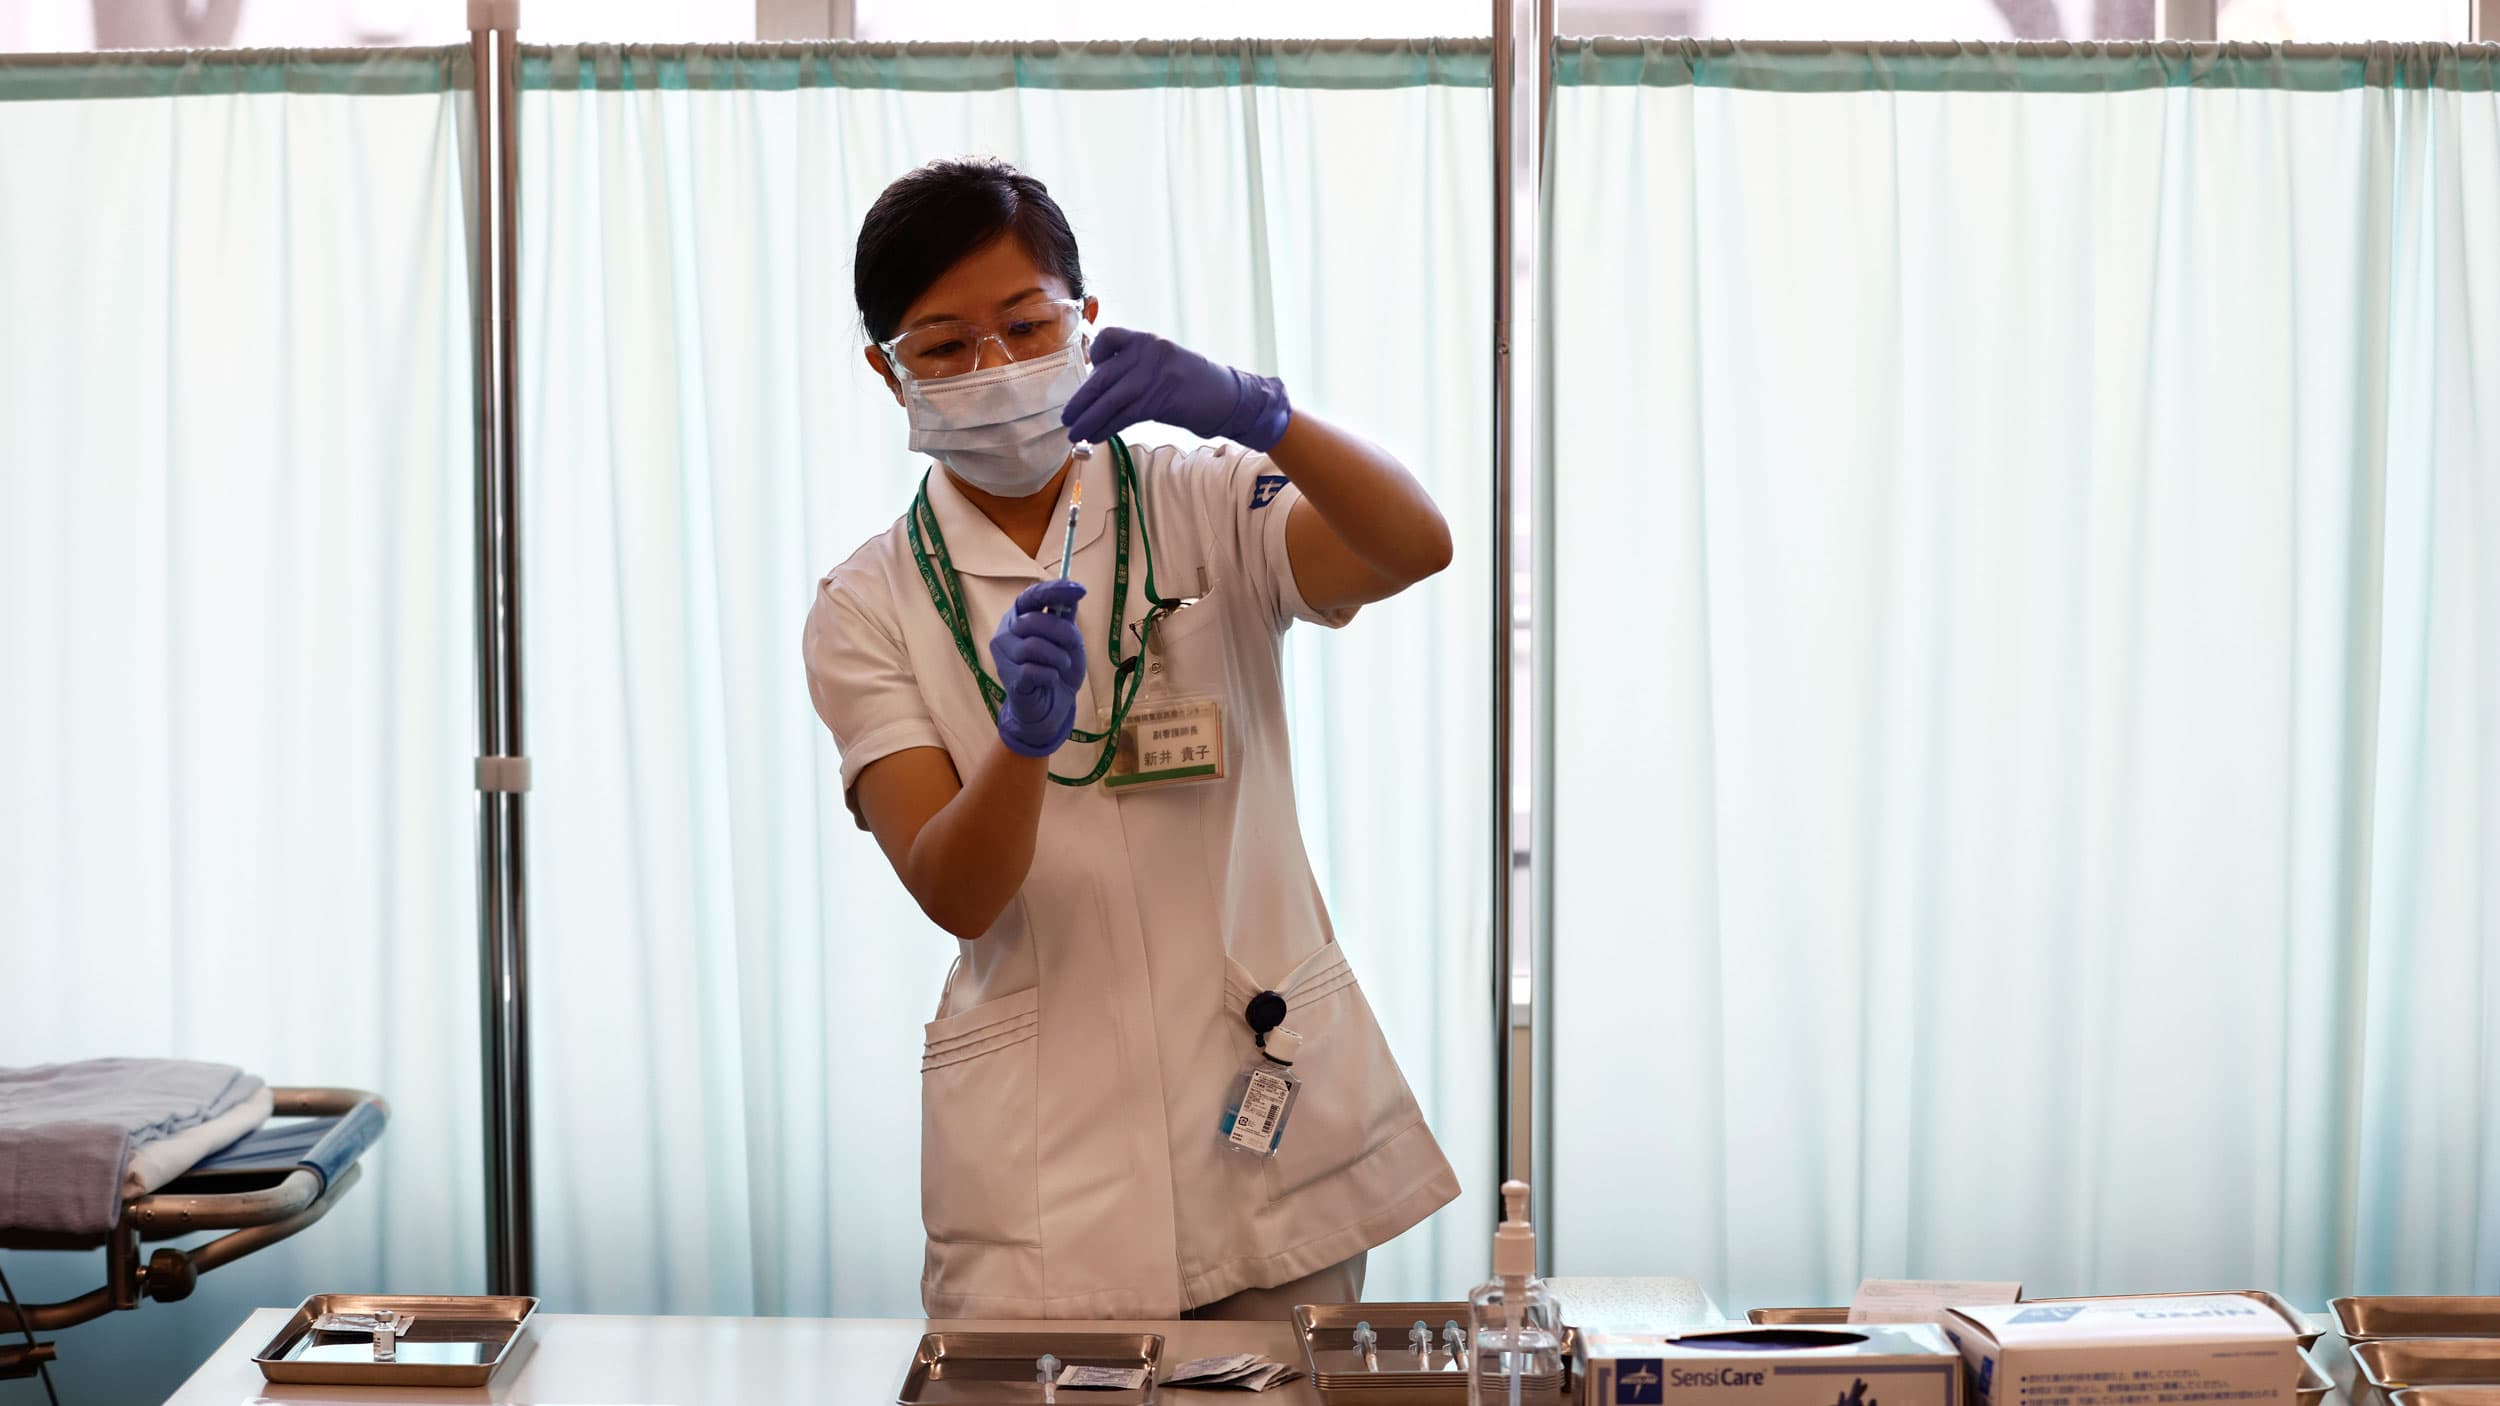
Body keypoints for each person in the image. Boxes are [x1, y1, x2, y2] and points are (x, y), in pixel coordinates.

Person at [803, 157, 1459, 1321]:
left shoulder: (1204, 498)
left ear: (1084, 318)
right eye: (945, 346)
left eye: (1024, 323)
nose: (993, 367)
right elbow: (955, 888)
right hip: (1040, 1186)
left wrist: (1268, 414)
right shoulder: (867, 604)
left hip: (1263, 1132)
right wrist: (1016, 745)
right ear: (886, 371)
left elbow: (1412, 545)